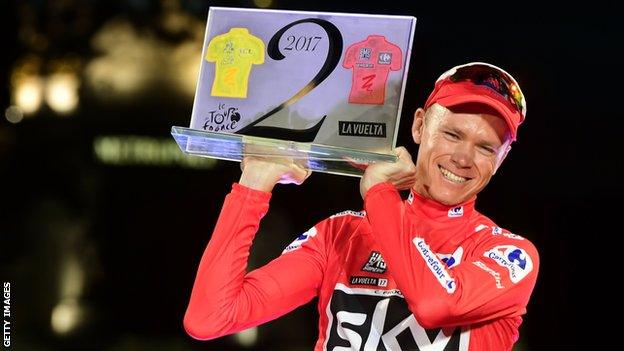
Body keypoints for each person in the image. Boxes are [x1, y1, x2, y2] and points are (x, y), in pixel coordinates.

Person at [183, 62, 539, 350]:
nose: (463, 157)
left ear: (503, 158)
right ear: (419, 126)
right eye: (452, 134)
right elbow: (209, 318)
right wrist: (254, 185)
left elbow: (434, 304)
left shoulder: (507, 254)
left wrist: (380, 195)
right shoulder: (340, 234)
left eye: (486, 147)